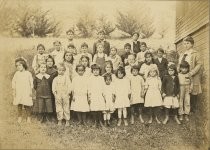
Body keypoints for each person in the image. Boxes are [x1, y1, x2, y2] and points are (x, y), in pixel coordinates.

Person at [178, 36, 202, 114]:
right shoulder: (182, 54)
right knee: (184, 91)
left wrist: (191, 73)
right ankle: (183, 108)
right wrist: (178, 70)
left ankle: (192, 109)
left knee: (193, 91)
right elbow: (179, 64)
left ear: (192, 44)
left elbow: (199, 64)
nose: (186, 45)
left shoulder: (195, 53)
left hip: (192, 75)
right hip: (183, 75)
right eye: (184, 44)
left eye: (188, 43)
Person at [12, 57, 33, 123]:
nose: (18, 67)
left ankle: (28, 117)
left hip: (26, 91)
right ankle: (19, 117)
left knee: (27, 104)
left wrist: (31, 91)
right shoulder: (16, 74)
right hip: (19, 91)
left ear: (23, 65)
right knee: (19, 104)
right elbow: (13, 82)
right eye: (16, 66)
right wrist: (14, 91)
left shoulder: (28, 73)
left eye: (19, 65)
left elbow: (31, 82)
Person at [46, 55, 58, 121]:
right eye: (48, 61)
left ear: (53, 62)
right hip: (46, 88)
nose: (49, 62)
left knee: (53, 101)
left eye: (51, 61)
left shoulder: (55, 71)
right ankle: (48, 115)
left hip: (53, 88)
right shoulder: (44, 70)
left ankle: (54, 115)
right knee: (48, 101)